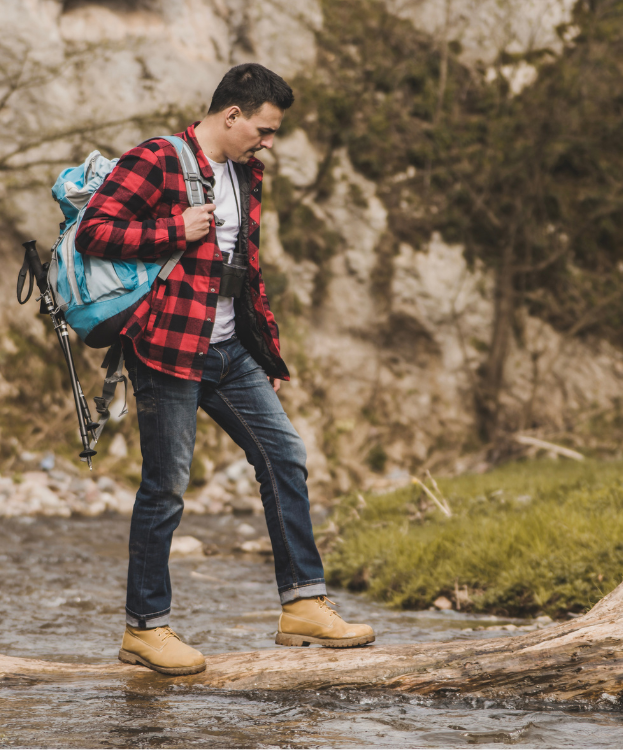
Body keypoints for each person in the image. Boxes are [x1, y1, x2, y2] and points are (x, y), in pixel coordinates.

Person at [75, 63, 374, 676]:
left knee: (284, 456)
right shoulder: (159, 159)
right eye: (263, 129)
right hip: (166, 348)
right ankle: (145, 628)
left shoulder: (245, 174)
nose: (268, 141)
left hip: (231, 350)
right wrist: (171, 229)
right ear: (232, 114)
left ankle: (304, 605)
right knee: (166, 486)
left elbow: (244, 270)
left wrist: (267, 351)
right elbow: (93, 233)